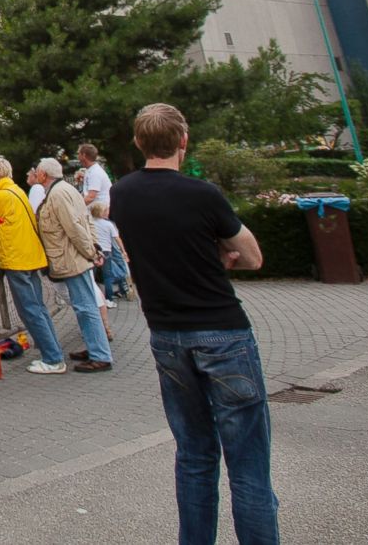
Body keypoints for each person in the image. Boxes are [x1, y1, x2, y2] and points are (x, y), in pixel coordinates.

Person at [111, 103, 277, 544]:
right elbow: (254, 257)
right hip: (223, 331)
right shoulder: (203, 194)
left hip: (167, 336)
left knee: (194, 457)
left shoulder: (122, 194)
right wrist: (219, 258)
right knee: (248, 466)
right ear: (183, 140)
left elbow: (150, 250)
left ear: (138, 142)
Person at [0, 156, 65, 375]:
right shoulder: (17, 191)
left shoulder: (0, 195)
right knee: (38, 307)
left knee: (30, 310)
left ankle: (53, 358)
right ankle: (52, 350)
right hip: (30, 256)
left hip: (17, 259)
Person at [30, 158, 113, 373]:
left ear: (43, 175)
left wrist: (90, 252)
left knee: (85, 306)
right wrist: (94, 249)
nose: (36, 175)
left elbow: (75, 227)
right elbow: (84, 220)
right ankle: (95, 347)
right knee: (84, 305)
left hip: (72, 258)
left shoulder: (58, 194)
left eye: (37, 172)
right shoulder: (65, 190)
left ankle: (100, 355)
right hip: (73, 257)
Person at [90, 200, 132, 301]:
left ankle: (95, 298)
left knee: (92, 276)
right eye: (106, 210)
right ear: (102, 212)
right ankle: (109, 299)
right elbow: (117, 238)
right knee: (107, 276)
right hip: (106, 252)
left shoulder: (90, 222)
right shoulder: (108, 225)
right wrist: (123, 251)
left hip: (94, 251)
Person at [79, 143, 112, 210]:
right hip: (96, 212)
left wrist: (75, 206)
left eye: (78, 154)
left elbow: (91, 197)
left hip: (100, 213)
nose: (78, 157)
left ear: (84, 155)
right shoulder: (91, 170)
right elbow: (87, 193)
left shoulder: (95, 173)